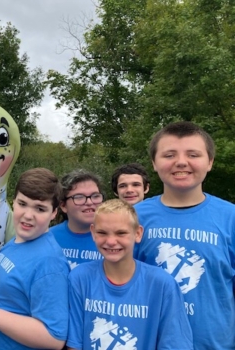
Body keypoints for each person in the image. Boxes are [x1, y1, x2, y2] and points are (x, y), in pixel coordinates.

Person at [134, 121, 235, 349]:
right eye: (169, 154)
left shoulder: (230, 218)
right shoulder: (133, 218)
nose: (181, 162)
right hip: (150, 342)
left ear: (209, 162)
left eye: (193, 154)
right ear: (154, 162)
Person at [0, 168, 70, 349]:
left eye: (40, 208)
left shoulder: (49, 263)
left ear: (54, 213)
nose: (28, 215)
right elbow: (14, 294)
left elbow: (54, 337)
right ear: (13, 202)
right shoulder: (16, 241)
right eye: (22, 203)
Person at [66, 199, 193, 350]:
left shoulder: (162, 284)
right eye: (102, 233)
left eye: (121, 233)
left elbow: (174, 343)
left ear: (138, 233)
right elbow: (74, 344)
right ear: (93, 232)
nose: (111, 241)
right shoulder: (79, 278)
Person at [50, 170, 104, 269]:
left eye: (95, 196)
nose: (89, 202)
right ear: (63, 206)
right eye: (79, 197)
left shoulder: (115, 239)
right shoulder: (48, 238)